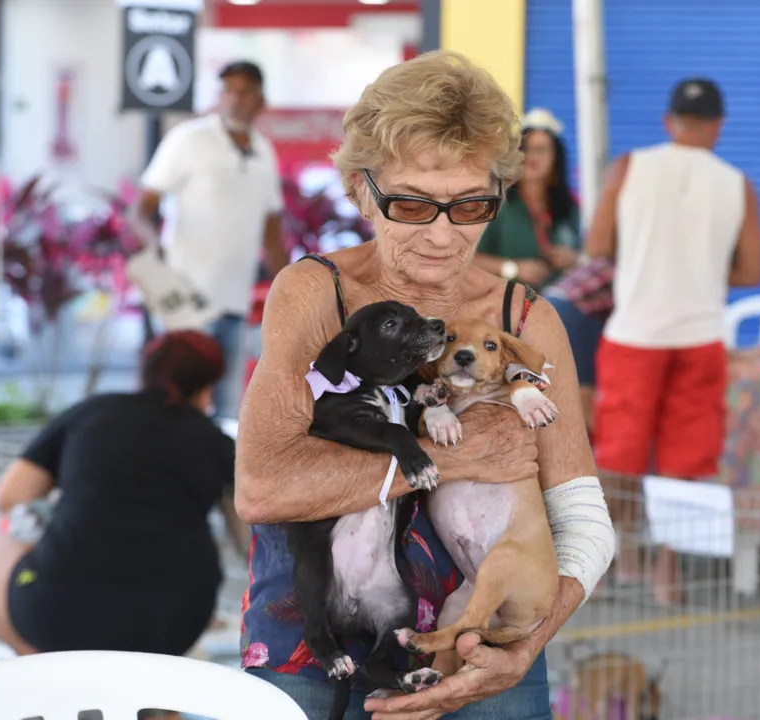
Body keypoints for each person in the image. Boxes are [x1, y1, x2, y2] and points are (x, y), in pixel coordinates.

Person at [235, 51, 615, 720]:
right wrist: (455, 457)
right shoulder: (316, 293)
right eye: (411, 204)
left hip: (475, 644)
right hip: (308, 634)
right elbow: (263, 488)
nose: (443, 236)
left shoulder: (521, 319)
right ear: (360, 189)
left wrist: (527, 644)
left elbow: (585, 519)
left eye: (471, 205)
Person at [584, 77, 760, 603]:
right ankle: (667, 574)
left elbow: (597, 246)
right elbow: (751, 270)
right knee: (686, 461)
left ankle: (601, 565)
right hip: (701, 335)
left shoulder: (629, 167)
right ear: (719, 125)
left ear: (668, 122)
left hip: (634, 333)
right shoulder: (738, 184)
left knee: (618, 455)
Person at [0, 331, 246, 657]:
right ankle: (155, 700)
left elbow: (8, 496)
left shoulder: (91, 413)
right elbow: (247, 540)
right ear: (207, 388)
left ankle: (49, 685)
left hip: (58, 612)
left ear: (145, 372)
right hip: (176, 622)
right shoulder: (218, 443)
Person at [133, 60, 289, 420]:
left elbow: (273, 231)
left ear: (260, 100)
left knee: (228, 408)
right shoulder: (189, 139)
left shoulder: (264, 151)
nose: (234, 99)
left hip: (234, 303)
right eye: (228, 90)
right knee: (178, 398)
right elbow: (141, 210)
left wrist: (291, 288)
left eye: (244, 91)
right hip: (186, 300)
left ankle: (216, 477)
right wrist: (152, 244)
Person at [472, 108, 581, 289]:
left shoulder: (570, 205)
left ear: (556, 158)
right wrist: (511, 268)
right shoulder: (496, 204)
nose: (530, 157)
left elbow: (591, 257)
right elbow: (466, 260)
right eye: (524, 149)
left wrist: (574, 260)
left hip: (558, 307)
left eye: (540, 150)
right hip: (503, 307)